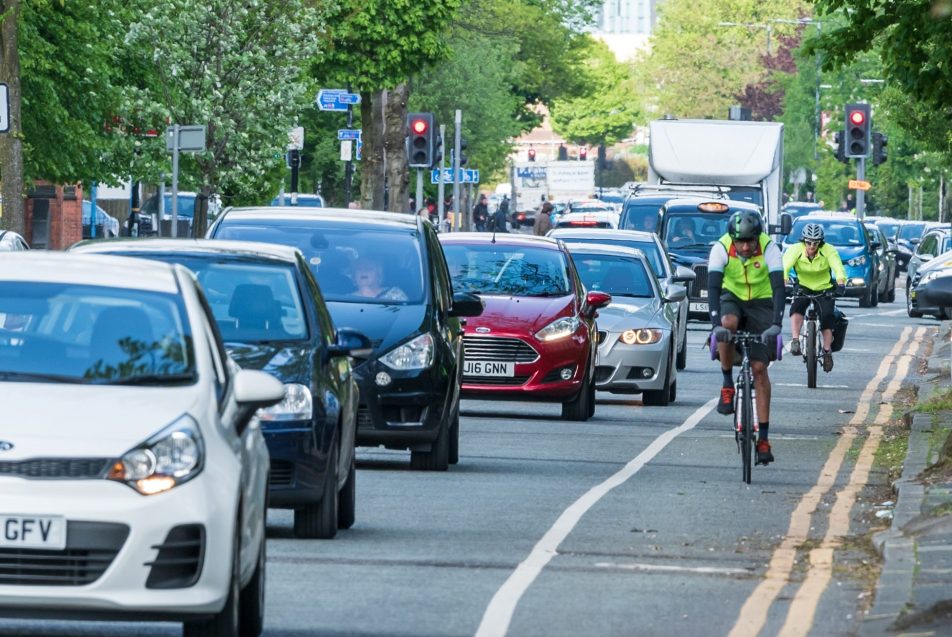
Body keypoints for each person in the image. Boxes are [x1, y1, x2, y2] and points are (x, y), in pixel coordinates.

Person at [709, 209, 786, 466]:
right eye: (739, 241)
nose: (744, 247)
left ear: (758, 237)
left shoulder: (770, 248)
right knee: (727, 323)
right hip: (732, 298)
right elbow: (712, 288)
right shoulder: (721, 248)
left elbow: (778, 287)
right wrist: (714, 325)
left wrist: (776, 324)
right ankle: (727, 383)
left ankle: (763, 438)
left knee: (759, 369)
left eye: (749, 241)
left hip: (762, 303)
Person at [782, 223, 846, 371]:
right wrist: (784, 281)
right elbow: (784, 266)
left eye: (815, 243)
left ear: (820, 243)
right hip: (803, 285)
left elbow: (838, 267)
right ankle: (795, 340)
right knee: (796, 307)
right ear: (804, 241)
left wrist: (841, 284)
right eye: (809, 242)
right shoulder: (795, 250)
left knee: (827, 316)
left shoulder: (828, 250)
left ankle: (827, 351)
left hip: (824, 287)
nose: (812, 246)